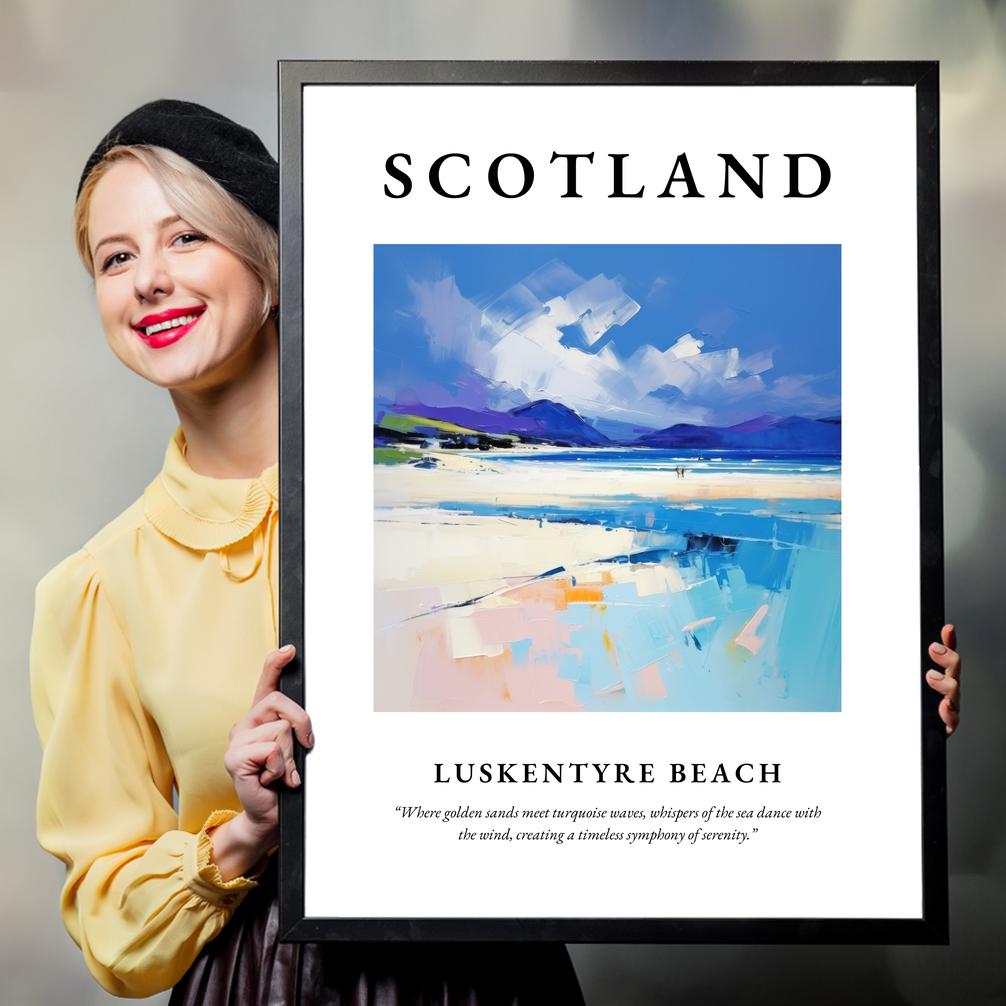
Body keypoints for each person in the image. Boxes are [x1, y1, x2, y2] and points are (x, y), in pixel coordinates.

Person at [30, 100, 586, 1004]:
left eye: (185, 238)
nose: (148, 281)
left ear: (272, 263)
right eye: (116, 257)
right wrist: (245, 832)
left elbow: (609, 706)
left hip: (492, 973)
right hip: (262, 982)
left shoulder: (448, 502)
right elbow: (110, 922)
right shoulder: (98, 587)